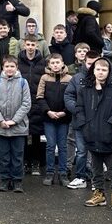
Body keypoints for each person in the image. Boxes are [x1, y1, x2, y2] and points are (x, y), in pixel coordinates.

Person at [75, 58, 112, 211]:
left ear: (109, 72)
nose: (100, 72)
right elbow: (79, 109)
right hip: (91, 135)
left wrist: (111, 122)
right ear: (93, 70)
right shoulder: (85, 90)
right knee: (95, 168)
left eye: (104, 70)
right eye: (98, 69)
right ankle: (99, 194)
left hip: (108, 136)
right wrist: (84, 125)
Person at [0, 55, 31, 193]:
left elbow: (26, 103)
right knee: (4, 155)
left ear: (17, 67)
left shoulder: (23, 82)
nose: (9, 69)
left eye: (12, 66)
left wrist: (14, 120)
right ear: (3, 67)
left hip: (18, 127)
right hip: (1, 127)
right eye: (7, 66)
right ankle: (5, 180)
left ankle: (17, 181)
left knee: (18, 155)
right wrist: (1, 120)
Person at [64, 49, 102, 189]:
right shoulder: (77, 78)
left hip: (98, 122)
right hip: (80, 120)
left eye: (95, 63)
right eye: (89, 63)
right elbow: (68, 97)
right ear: (84, 62)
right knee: (81, 151)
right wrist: (78, 110)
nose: (91, 67)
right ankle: (80, 177)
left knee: (96, 151)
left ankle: (95, 178)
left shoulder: (105, 78)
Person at [36, 53, 72, 186]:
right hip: (49, 118)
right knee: (50, 146)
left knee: (63, 146)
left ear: (63, 63)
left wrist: (64, 112)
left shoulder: (69, 79)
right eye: (53, 63)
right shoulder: (44, 78)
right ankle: (50, 172)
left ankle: (63, 173)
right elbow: (40, 97)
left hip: (63, 118)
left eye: (58, 62)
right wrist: (48, 111)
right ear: (49, 65)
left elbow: (72, 98)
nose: (55, 65)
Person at [18, 36, 46, 176]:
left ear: (37, 46)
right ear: (24, 45)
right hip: (21, 102)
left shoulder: (42, 62)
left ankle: (36, 162)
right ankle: (25, 162)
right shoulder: (18, 61)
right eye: (28, 44)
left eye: (32, 44)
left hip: (36, 102)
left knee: (36, 135)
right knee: (22, 134)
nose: (30, 47)